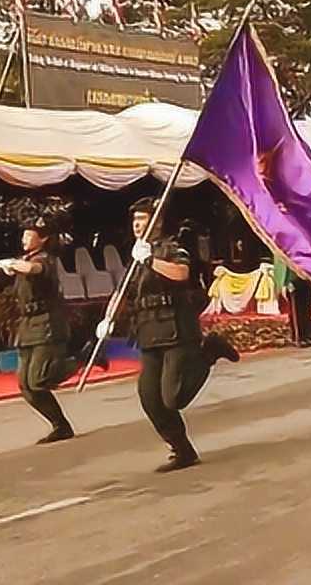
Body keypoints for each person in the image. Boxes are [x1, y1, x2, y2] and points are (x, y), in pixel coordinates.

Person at [101, 197, 240, 473]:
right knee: (149, 397)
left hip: (177, 329)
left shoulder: (171, 247)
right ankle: (182, 449)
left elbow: (181, 273)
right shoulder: (136, 256)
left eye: (142, 219)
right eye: (134, 220)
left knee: (173, 397)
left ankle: (209, 351)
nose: (137, 225)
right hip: (149, 333)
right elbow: (123, 292)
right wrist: (107, 319)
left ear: (158, 221)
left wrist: (151, 260)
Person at [0, 216, 104, 444]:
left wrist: (14, 264)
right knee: (26, 386)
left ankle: (85, 357)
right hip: (27, 325)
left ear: (43, 239)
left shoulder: (46, 260)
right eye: (24, 234)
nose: (25, 238)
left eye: (30, 235)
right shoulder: (21, 260)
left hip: (47, 322)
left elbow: (33, 269)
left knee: (40, 379)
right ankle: (60, 425)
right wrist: (1, 264)